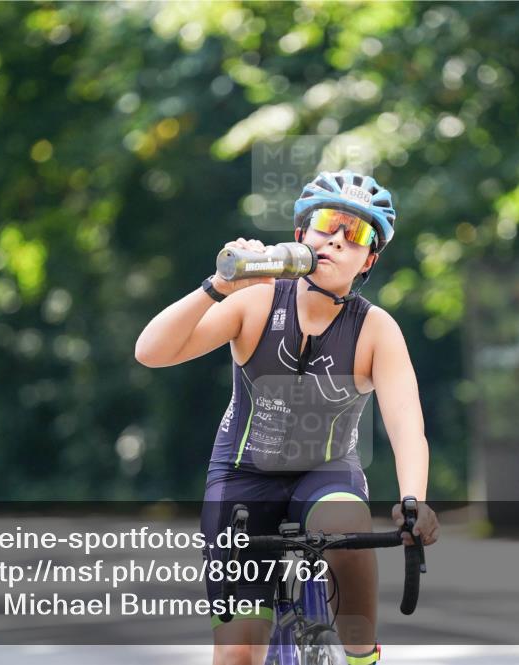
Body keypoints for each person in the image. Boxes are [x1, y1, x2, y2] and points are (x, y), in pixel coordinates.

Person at [135, 170, 439, 665]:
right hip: (242, 477)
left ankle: (362, 655)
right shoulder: (255, 301)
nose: (337, 240)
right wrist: (219, 285)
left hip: (328, 474)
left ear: (369, 259)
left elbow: (407, 424)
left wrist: (413, 501)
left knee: (347, 524)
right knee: (237, 654)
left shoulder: (376, 329)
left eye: (356, 234)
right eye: (326, 224)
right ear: (300, 235)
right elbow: (150, 352)